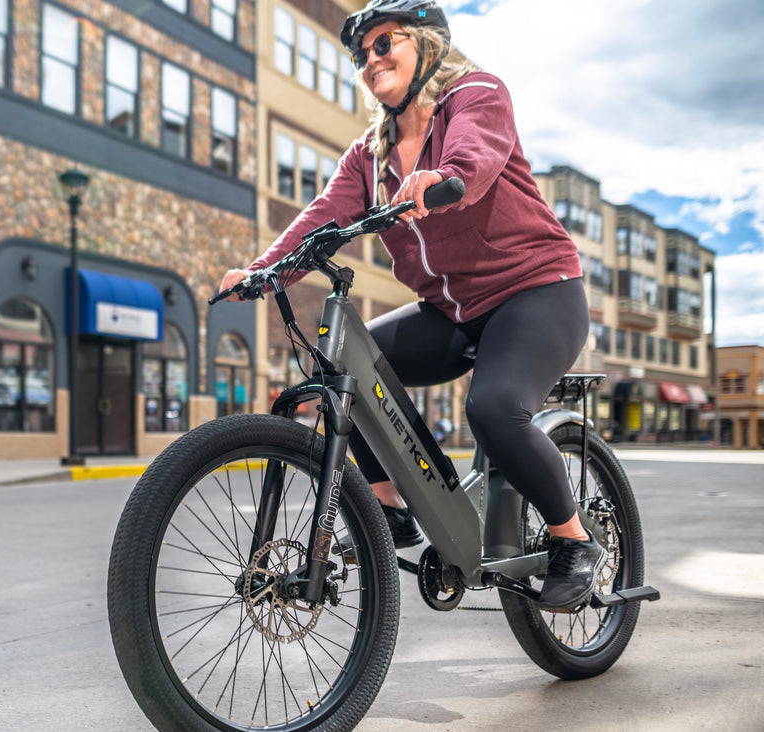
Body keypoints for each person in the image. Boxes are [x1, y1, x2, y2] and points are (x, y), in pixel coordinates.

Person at [218, 0, 606, 612]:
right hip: (452, 311)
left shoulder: (476, 94)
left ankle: (572, 539)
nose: (370, 60)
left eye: (383, 44)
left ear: (424, 44)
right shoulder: (369, 157)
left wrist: (442, 175)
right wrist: (265, 272)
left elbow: (475, 158)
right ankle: (393, 509)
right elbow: (322, 217)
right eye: (360, 54)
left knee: (496, 407)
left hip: (537, 291)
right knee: (340, 368)